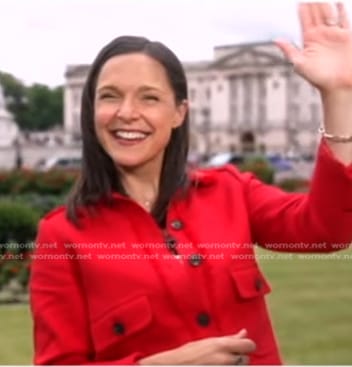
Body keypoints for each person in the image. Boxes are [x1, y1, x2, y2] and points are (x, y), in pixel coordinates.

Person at [30, 3, 352, 365]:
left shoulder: (232, 192)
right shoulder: (62, 235)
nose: (126, 112)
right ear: (91, 111)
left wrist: (338, 95)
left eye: (149, 97)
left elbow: (328, 230)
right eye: (110, 96)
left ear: (179, 113)